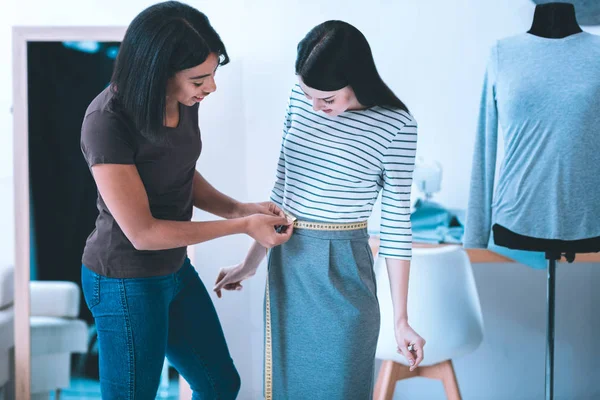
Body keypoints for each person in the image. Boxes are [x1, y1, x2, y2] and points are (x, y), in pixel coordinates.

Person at [79, 2, 293, 399]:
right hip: (124, 279)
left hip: (173, 269)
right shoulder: (107, 121)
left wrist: (240, 208)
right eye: (200, 79)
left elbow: (178, 170)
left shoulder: (182, 100)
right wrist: (243, 226)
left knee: (218, 385)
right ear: (158, 71)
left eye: (212, 74)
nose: (210, 87)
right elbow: (143, 233)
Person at [214, 20, 425, 400]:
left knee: (339, 387)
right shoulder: (303, 101)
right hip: (290, 263)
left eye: (327, 99)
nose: (315, 106)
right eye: (307, 94)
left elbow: (395, 226)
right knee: (288, 388)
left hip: (346, 267)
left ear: (357, 81)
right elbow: (282, 196)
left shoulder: (397, 126)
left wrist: (401, 319)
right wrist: (249, 264)